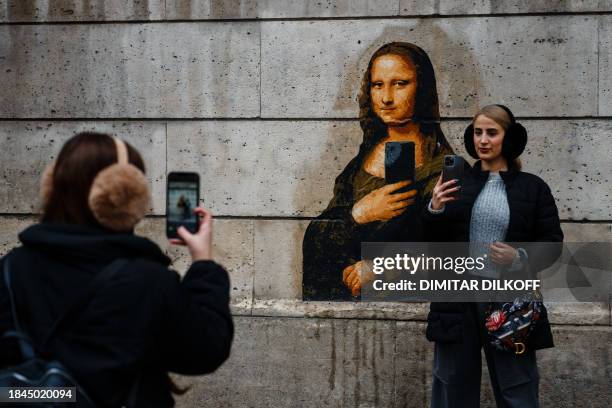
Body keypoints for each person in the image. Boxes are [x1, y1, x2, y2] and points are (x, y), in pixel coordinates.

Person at [0, 132, 233, 407]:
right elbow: (206, 349)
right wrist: (203, 262)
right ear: (124, 195)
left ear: (53, 188)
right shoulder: (147, 281)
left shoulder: (10, 270)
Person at [423, 105, 563, 407]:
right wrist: (435, 208)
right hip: (457, 299)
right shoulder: (454, 184)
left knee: (517, 385)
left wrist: (519, 256)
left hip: (509, 299)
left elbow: (553, 244)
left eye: (491, 133)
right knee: (451, 383)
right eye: (477, 132)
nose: (482, 140)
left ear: (508, 139)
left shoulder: (533, 188)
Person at [302, 42, 453, 300]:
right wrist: (360, 213)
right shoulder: (358, 165)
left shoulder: (445, 168)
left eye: (400, 83)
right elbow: (319, 237)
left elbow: (451, 253)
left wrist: (381, 269)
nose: (386, 98)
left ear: (422, 89)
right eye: (377, 85)